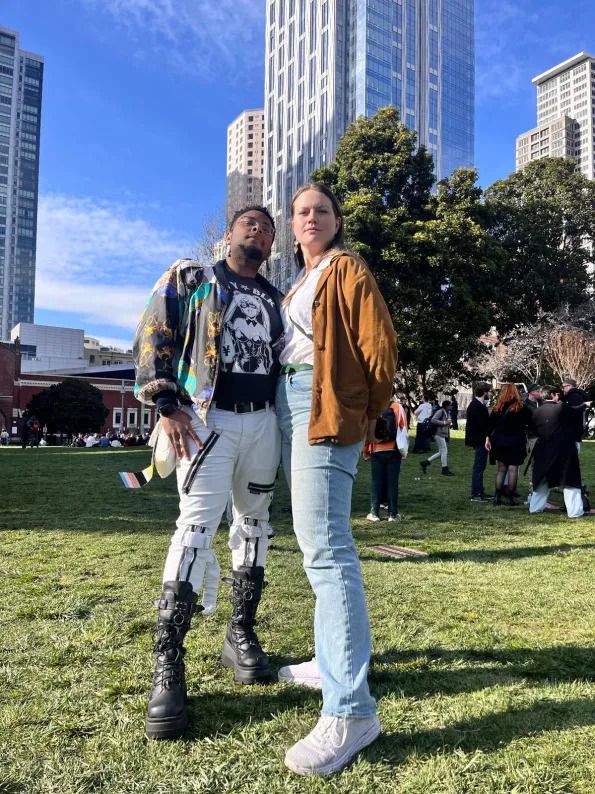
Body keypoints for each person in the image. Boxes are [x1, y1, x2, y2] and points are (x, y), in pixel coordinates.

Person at [133, 205, 283, 740]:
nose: (259, 230)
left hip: (263, 423)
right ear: (228, 234)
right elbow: (155, 330)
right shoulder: (193, 277)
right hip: (206, 419)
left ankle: (240, 634)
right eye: (250, 223)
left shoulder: (277, 298)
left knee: (255, 525)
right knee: (195, 528)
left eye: (267, 227)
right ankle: (168, 663)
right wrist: (166, 403)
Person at [275, 183, 396, 775]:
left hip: (324, 406)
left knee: (328, 548)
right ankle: (331, 663)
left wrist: (362, 412)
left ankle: (351, 711)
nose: (311, 217)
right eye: (302, 211)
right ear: (291, 223)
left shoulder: (346, 267)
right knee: (314, 544)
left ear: (336, 219)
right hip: (293, 401)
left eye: (321, 210)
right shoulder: (301, 279)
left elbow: (380, 347)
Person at [529, 385, 588, 518]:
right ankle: (575, 511)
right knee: (570, 481)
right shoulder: (562, 408)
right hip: (563, 450)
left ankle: (535, 507)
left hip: (543, 449)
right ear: (553, 395)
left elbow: (534, 430)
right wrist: (584, 405)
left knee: (541, 481)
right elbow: (576, 417)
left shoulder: (537, 411)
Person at [486, 383, 531, 506]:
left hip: (500, 441)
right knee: (513, 469)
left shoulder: (497, 407)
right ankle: (511, 497)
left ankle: (497, 496)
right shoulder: (522, 408)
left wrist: (488, 438)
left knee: (501, 470)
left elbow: (490, 425)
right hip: (516, 441)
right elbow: (530, 422)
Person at [365, 398, 408, 522]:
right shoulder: (397, 407)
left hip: (376, 449)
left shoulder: (372, 406)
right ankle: (393, 514)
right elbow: (403, 426)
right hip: (393, 449)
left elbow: (367, 429)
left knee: (376, 482)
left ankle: (374, 513)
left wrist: (366, 451)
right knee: (392, 482)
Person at [465, 382, 492, 501]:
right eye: (489, 391)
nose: (490, 394)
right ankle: (476, 493)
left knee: (480, 466)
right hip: (480, 440)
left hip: (479, 439)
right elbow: (482, 426)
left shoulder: (477, 404)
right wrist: (487, 438)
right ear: (485, 392)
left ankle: (480, 491)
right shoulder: (477, 406)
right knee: (479, 466)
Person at [419, 399, 454, 476]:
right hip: (438, 434)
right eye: (450, 405)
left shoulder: (447, 412)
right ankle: (444, 469)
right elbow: (433, 420)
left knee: (441, 452)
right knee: (444, 451)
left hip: (443, 434)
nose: (451, 406)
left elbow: (448, 421)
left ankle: (425, 463)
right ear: (446, 406)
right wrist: (444, 422)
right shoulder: (441, 411)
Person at [560, 378, 589, 453]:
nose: (562, 389)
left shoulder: (574, 396)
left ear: (569, 386)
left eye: (563, 387)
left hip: (572, 431)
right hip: (575, 431)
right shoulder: (576, 395)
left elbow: (572, 412)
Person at [524, 383, 542, 496]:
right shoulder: (525, 405)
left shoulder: (541, 403)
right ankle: (532, 486)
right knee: (531, 462)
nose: (540, 393)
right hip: (530, 436)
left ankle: (540, 485)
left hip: (541, 436)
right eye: (538, 391)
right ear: (532, 392)